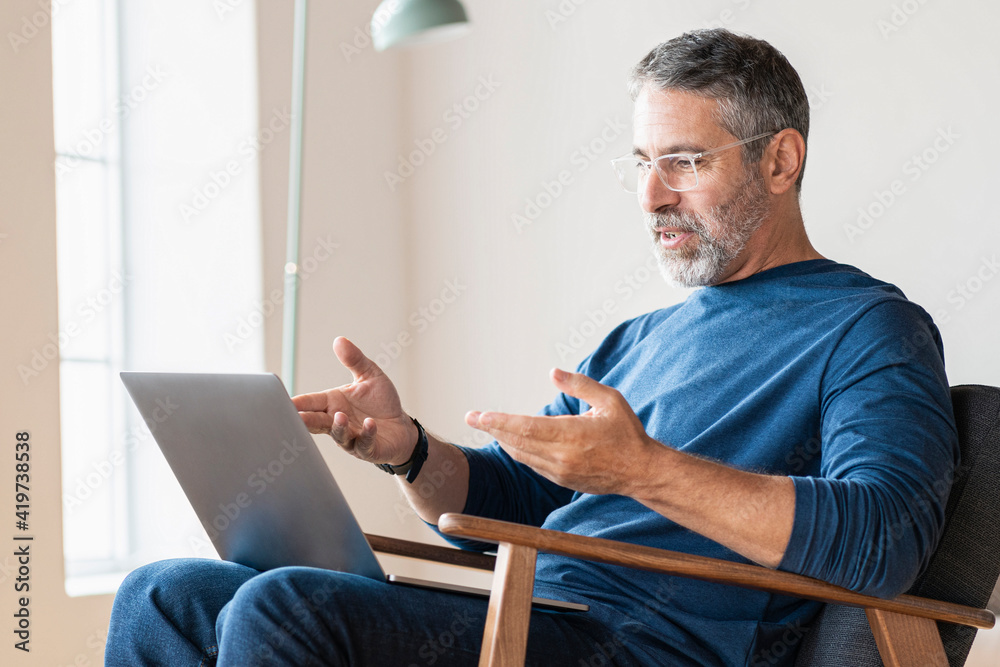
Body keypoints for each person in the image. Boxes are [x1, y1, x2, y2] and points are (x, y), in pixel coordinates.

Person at [104, 28, 959, 666]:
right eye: (640, 161)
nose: (650, 194)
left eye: (685, 161)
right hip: (537, 617)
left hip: (650, 647)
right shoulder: (640, 337)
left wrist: (645, 470)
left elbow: (883, 537)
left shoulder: (869, 327)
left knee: (285, 610)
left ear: (780, 161)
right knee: (162, 595)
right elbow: (518, 497)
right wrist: (410, 451)